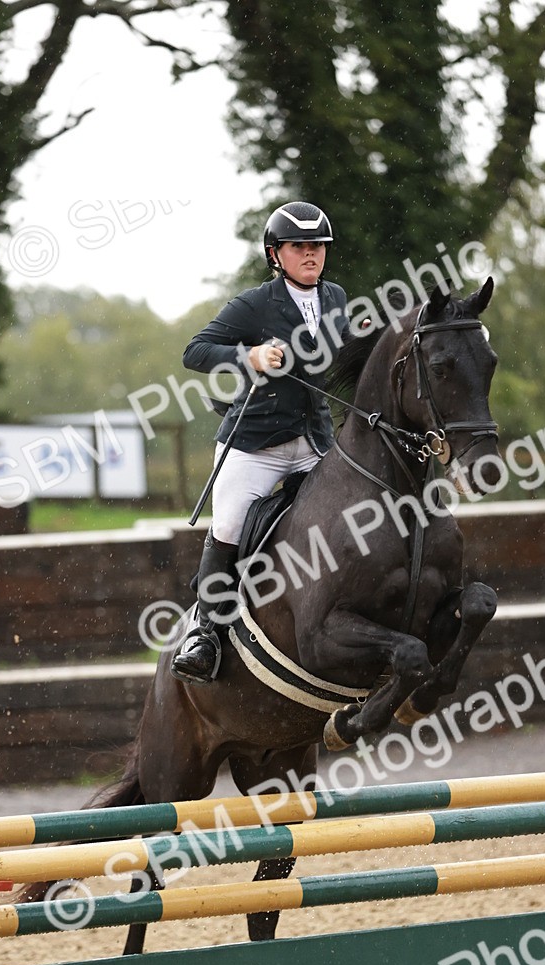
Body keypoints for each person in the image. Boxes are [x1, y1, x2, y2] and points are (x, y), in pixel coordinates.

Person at [171, 201, 350, 683]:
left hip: (314, 440)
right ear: (276, 254)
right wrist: (247, 355)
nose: (311, 255)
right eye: (300, 247)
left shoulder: (335, 298)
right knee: (227, 526)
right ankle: (204, 633)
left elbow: (346, 357)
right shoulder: (253, 304)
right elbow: (195, 351)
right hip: (256, 444)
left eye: (318, 247)